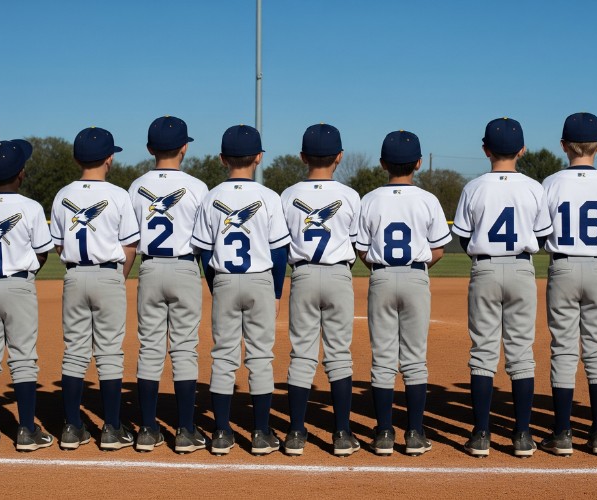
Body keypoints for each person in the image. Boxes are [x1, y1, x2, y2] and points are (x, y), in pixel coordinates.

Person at [452, 117, 552, 458]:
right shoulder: (535, 187)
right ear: (522, 150)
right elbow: (542, 234)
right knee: (521, 352)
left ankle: (481, 435)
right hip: (522, 268)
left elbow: (464, 235)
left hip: (485, 269)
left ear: (485, 150)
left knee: (483, 352)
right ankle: (522, 435)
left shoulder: (474, 187)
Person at [191, 124, 290, 456]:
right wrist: (276, 292)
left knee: (223, 357)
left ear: (222, 159)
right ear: (259, 158)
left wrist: (215, 284)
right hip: (261, 279)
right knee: (261, 357)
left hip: (224, 279)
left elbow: (204, 253)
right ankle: (261, 433)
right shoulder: (269, 198)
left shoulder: (210, 197)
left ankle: (220, 433)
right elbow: (279, 254)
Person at [356, 130, 451, 456]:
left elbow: (362, 250)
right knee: (414, 358)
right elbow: (438, 249)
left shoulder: (369, 199)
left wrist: (381, 268)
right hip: (415, 277)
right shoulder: (428, 200)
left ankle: (383, 433)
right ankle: (414, 433)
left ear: (383, 163)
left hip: (380, 277)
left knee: (382, 358)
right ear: (419, 163)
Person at [50, 127, 140, 450]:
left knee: (74, 351)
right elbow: (130, 244)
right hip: (108, 274)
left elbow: (59, 245)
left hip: (74, 275)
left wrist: (77, 268)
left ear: (76, 158)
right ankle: (112, 428)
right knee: (110, 353)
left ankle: (72, 427)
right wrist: (119, 276)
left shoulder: (62, 195)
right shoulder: (118, 195)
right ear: (109, 158)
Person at [539, 112, 597, 457]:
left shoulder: (551, 183)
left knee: (564, 349)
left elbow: (542, 233)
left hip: (564, 267)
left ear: (563, 146)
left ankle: (562, 433)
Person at [127, 116, 209, 453]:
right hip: (185, 266)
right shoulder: (198, 187)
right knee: (185, 348)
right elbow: (206, 241)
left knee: (149, 348)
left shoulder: (135, 186)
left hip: (149, 269)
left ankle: (147, 429)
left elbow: (130, 240)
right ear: (185, 147)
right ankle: (186, 430)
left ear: (149, 149)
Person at [279, 124, 361, 457]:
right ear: (339, 157)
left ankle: (296, 433)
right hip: (339, 273)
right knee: (339, 354)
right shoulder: (350, 196)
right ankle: (341, 433)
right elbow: (356, 241)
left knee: (302, 355)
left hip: (303, 275)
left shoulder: (287, 195)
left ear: (302, 156)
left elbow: (281, 244)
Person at [0, 138, 55, 451]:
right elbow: (42, 254)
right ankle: (26, 429)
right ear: (21, 173)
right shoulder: (31, 207)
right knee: (23, 357)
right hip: (19, 284)